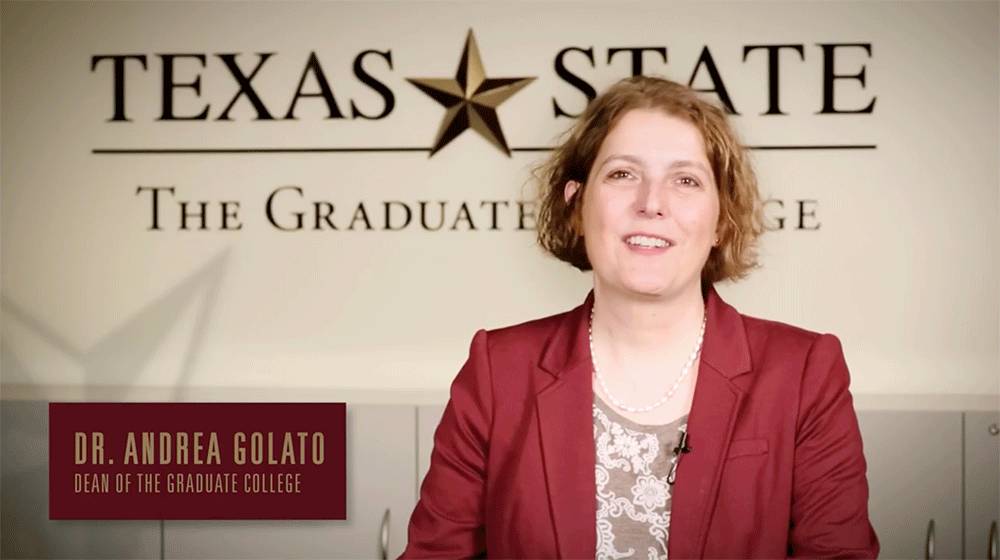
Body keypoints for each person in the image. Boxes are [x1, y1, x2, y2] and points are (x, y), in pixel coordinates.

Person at [400, 76, 879, 559]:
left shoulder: (803, 373)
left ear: (721, 220)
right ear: (575, 204)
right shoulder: (498, 370)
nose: (652, 203)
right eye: (623, 174)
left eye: (686, 180)